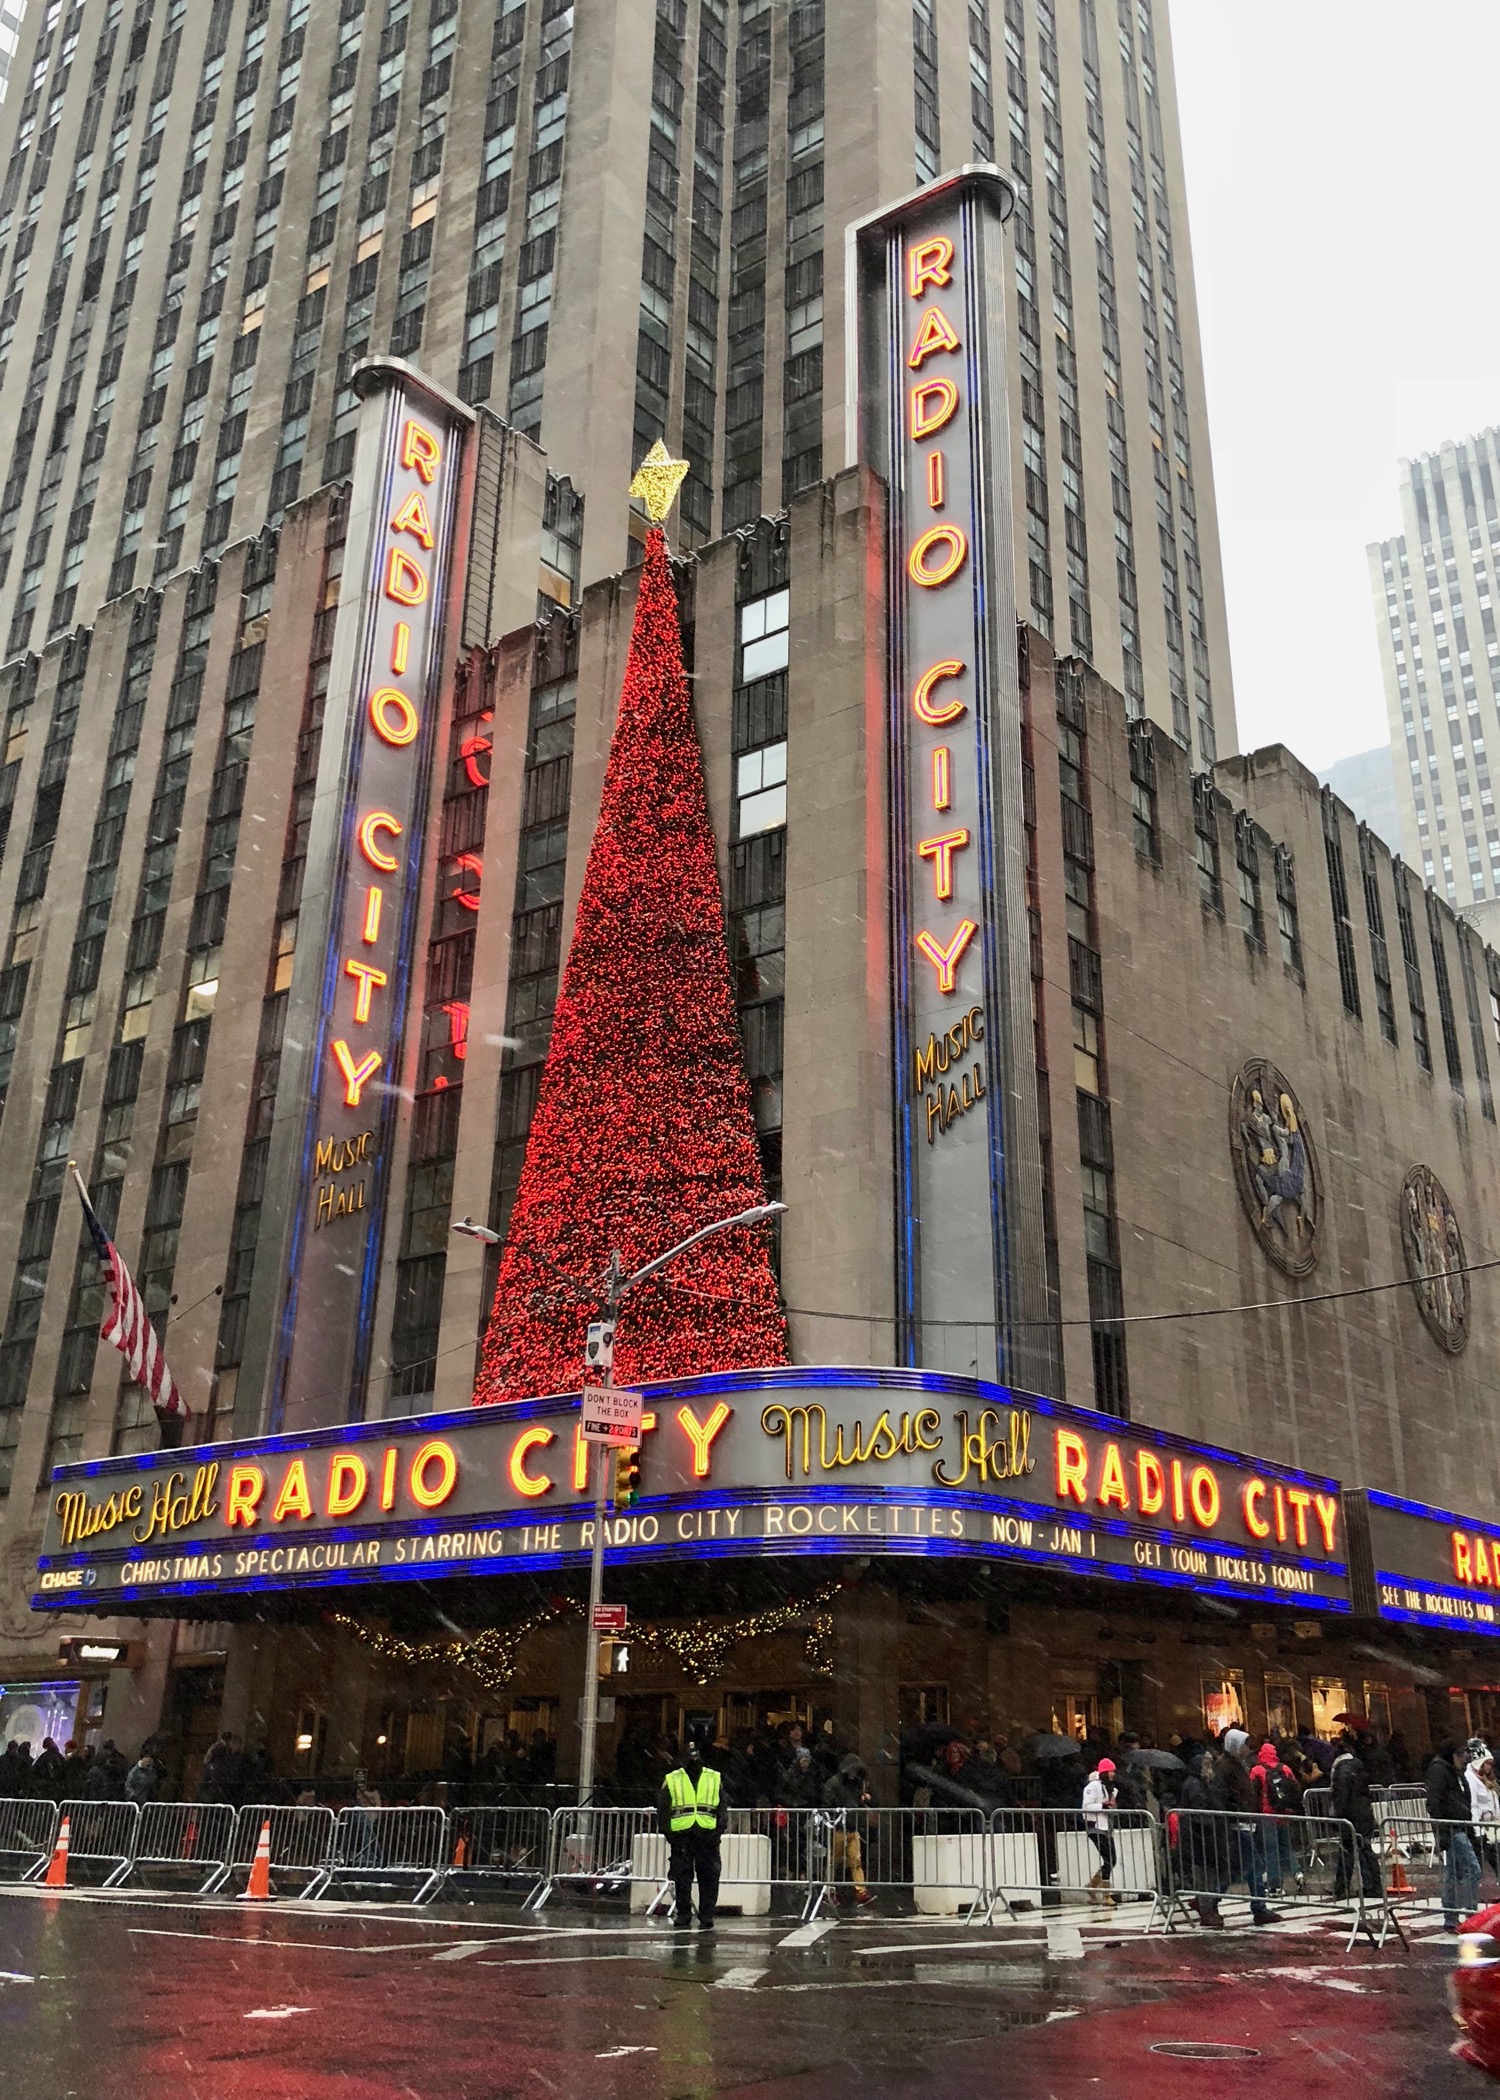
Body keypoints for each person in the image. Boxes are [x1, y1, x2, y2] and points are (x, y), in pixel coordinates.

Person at [1212, 1729, 1282, 1925]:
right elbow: (1223, 1796)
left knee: (1239, 1868)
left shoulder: (1234, 1764)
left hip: (1242, 1822)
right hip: (1237, 1823)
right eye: (1243, 1745)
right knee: (1253, 1866)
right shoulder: (1226, 1766)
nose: (1246, 1749)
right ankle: (1257, 1907)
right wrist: (1237, 1811)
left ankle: (1211, 1901)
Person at [658, 1734, 722, 1931]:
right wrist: (670, 1834)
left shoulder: (714, 1778)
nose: (693, 1761)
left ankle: (706, 1914)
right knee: (683, 1878)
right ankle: (684, 1913)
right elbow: (663, 1809)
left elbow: (722, 1807)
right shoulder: (672, 1779)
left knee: (708, 1877)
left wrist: (718, 1831)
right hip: (683, 1836)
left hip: (707, 1835)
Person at [1427, 1738, 1482, 1931]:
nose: (1464, 1759)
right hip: (1452, 1827)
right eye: (1461, 1755)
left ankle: (1452, 1916)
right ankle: (1468, 1913)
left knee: (1455, 1872)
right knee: (1472, 1869)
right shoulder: (1440, 1771)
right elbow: (1435, 1802)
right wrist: (1441, 1830)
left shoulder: (1452, 1771)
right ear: (1453, 1755)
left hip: (1458, 1826)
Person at [1329, 1730, 1383, 1901]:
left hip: (1352, 1816)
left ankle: (1342, 1887)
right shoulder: (1357, 1766)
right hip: (1362, 1813)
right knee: (1364, 1850)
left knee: (1348, 1851)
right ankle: (1372, 1884)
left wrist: (1338, 1814)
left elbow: (1342, 1796)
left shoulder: (1342, 1770)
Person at [820, 1753, 878, 1907]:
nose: (853, 1774)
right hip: (839, 1828)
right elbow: (828, 1803)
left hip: (851, 1827)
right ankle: (831, 1892)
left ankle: (859, 1891)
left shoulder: (844, 1783)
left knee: (854, 1860)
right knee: (835, 1862)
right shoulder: (839, 1784)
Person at [1249, 1741, 1301, 1895]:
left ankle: (1275, 1885)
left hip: (1267, 1815)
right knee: (1286, 1846)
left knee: (1270, 1850)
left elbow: (1252, 1794)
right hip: (1283, 1813)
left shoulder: (1257, 1770)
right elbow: (1295, 1788)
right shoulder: (1285, 1769)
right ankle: (1298, 1873)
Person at [1081, 1756, 1118, 1904]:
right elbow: (1086, 1806)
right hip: (1095, 1827)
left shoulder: (1110, 1788)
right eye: (1111, 1771)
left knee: (1112, 1859)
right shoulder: (1093, 1787)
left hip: (1106, 1826)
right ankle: (1105, 1894)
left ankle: (1093, 1885)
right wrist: (1103, 1805)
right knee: (1109, 1859)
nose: (1113, 1774)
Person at [1467, 1746, 1500, 1883]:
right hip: (1482, 1826)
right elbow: (1473, 1804)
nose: (1489, 1767)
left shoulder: (1485, 1778)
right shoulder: (1471, 1779)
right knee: (1490, 1856)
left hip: (1493, 1825)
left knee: (1494, 1855)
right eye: (1487, 1763)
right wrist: (1475, 1827)